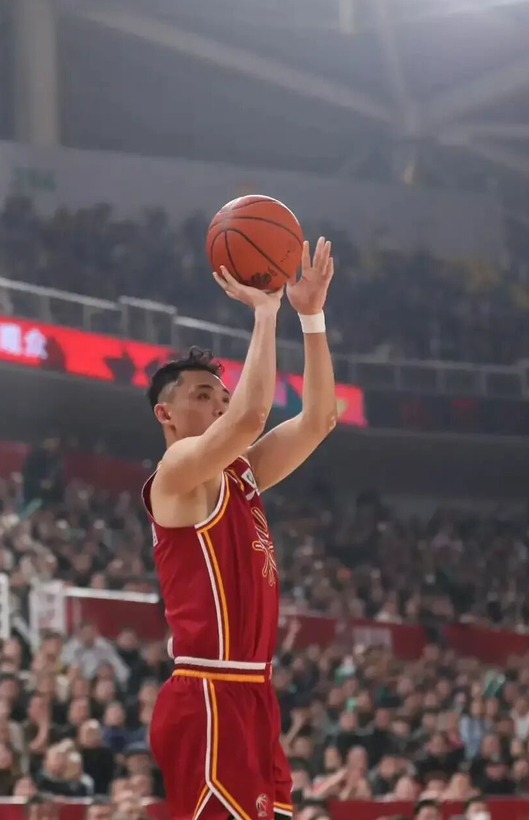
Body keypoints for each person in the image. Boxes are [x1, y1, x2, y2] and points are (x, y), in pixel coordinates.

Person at [143, 240, 336, 820]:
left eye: (223, 397)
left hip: (254, 692)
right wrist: (266, 313)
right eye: (204, 396)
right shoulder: (175, 472)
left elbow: (319, 419)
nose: (221, 406)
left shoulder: (241, 472)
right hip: (207, 691)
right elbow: (252, 415)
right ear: (165, 414)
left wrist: (311, 318)